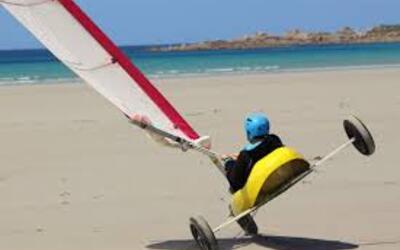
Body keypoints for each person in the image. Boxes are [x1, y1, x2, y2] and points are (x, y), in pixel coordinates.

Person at [223, 113, 283, 192]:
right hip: (274, 175)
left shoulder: (246, 155)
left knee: (231, 168)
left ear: (249, 133)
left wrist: (228, 161)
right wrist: (240, 159)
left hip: (258, 185)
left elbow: (235, 182)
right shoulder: (274, 140)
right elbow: (261, 152)